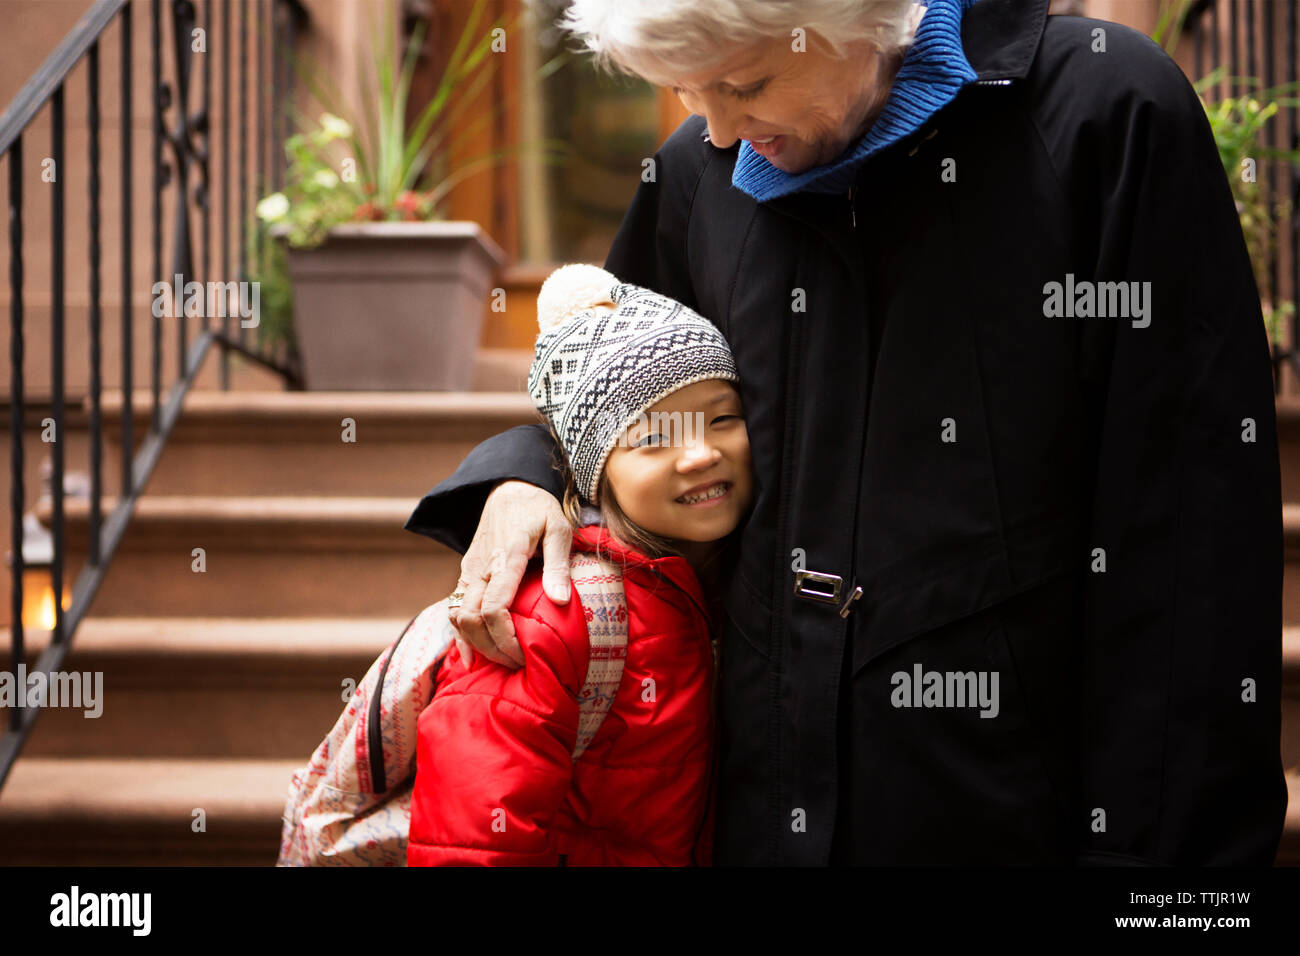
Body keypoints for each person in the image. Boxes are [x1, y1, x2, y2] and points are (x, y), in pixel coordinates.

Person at [406, 0, 1286, 865]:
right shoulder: (701, 167)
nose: (716, 131)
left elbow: (1190, 535)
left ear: (857, 17)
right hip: (755, 807)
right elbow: (601, 393)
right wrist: (520, 477)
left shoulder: (1105, 110)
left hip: (1009, 816)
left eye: (743, 81)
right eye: (686, 91)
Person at [405, 264, 754, 865]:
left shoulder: (727, 584)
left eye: (721, 419)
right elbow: (471, 840)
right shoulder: (552, 616)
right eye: (654, 438)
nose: (700, 454)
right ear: (596, 471)